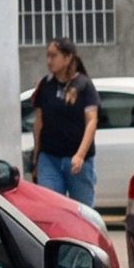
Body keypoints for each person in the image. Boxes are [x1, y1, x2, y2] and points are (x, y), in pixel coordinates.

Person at [31, 37, 101, 208]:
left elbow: (91, 121)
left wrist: (80, 155)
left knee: (82, 212)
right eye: (47, 56)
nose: (49, 61)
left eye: (53, 56)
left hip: (77, 161)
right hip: (49, 158)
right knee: (51, 209)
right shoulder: (45, 86)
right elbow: (38, 123)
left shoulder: (84, 85)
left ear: (68, 57)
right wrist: (36, 157)